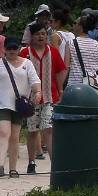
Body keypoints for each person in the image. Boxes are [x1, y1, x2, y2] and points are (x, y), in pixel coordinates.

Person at [0, 36, 41, 179]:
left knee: (14, 137)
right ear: (4, 49)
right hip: (2, 105)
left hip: (19, 105)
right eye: (9, 48)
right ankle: (1, 164)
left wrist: (38, 92)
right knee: (3, 132)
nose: (12, 51)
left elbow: (34, 81)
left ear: (19, 49)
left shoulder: (27, 64)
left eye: (14, 48)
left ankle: (13, 168)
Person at [18, 23, 66, 175]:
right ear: (31, 36)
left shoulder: (53, 52)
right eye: (38, 34)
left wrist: (60, 89)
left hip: (49, 96)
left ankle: (54, 164)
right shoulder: (24, 53)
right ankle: (31, 162)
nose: (41, 37)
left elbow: (60, 71)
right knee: (32, 130)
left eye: (43, 34)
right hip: (30, 98)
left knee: (49, 129)